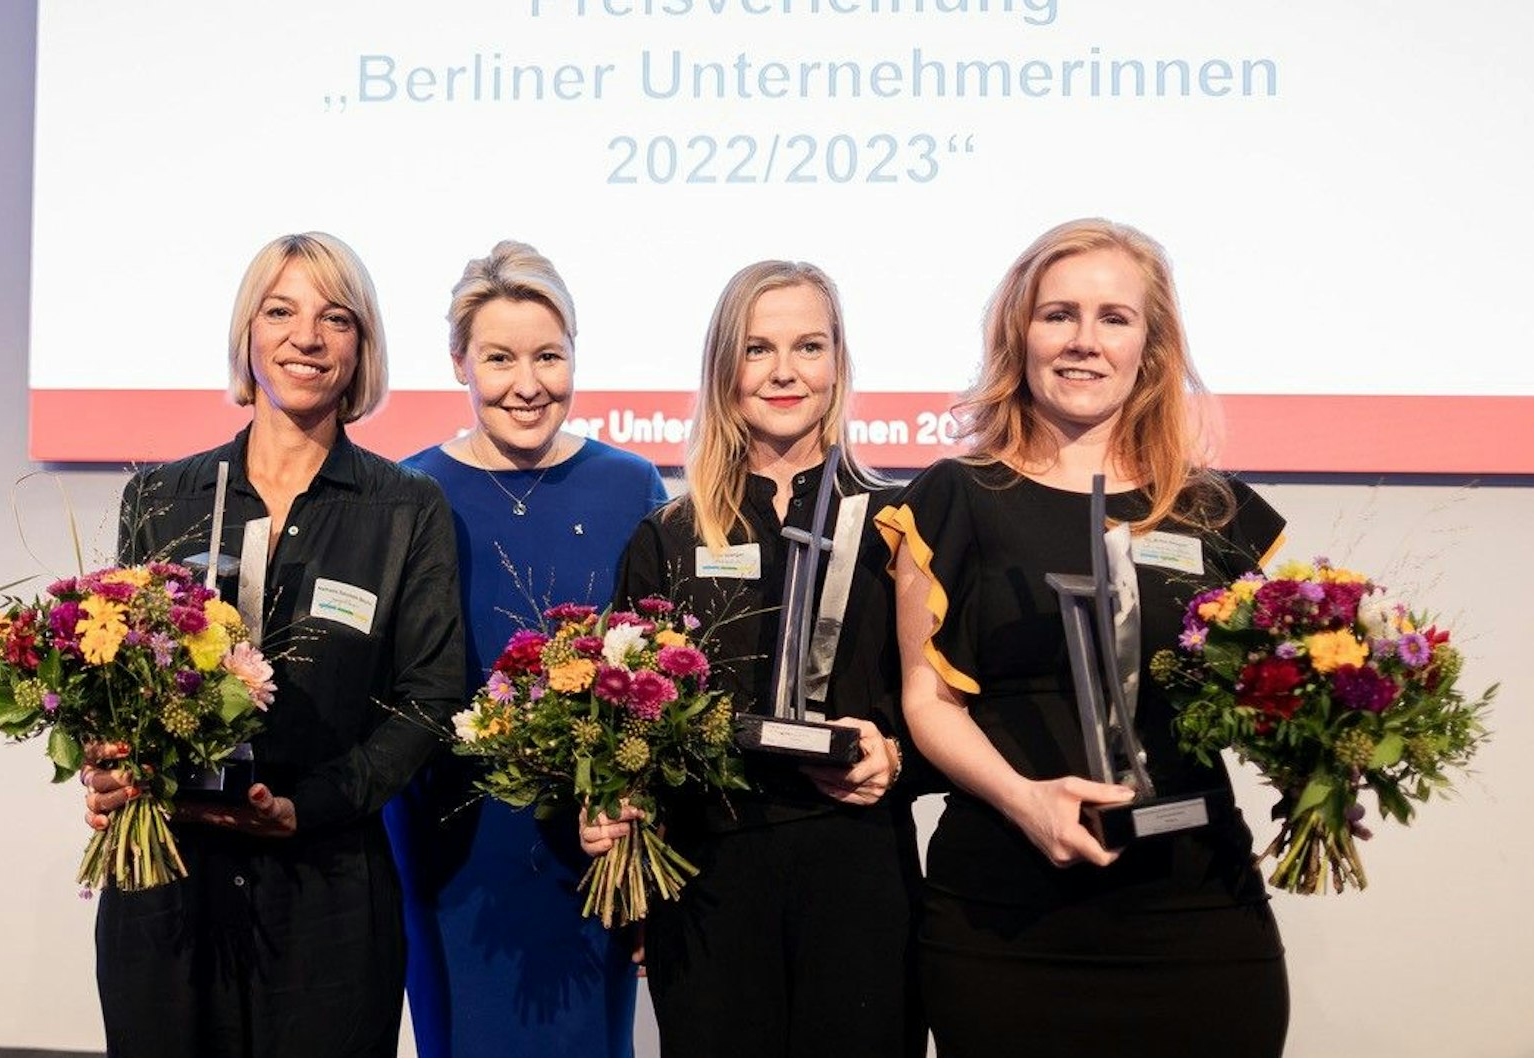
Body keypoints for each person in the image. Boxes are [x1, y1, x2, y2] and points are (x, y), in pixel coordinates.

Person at [878, 218, 1291, 1057]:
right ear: (1018, 334)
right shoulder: (953, 497)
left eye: (1114, 318)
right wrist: (1027, 801)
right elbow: (928, 699)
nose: (1082, 341)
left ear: (1153, 344)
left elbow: (1277, 694)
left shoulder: (1218, 512)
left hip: (1194, 907)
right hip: (1006, 913)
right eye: (1057, 314)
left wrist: (1323, 765)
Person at [83, 232, 467, 1058]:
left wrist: (312, 805)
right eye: (281, 311)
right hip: (168, 879)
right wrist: (109, 758)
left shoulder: (406, 510)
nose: (307, 337)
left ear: (362, 346)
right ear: (248, 332)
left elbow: (430, 699)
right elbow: (117, 667)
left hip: (327, 890)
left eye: (337, 318)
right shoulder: (162, 495)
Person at [582, 260, 924, 1058]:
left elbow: (941, 708)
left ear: (839, 362)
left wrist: (897, 759)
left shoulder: (899, 523)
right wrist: (612, 811)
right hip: (711, 879)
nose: (783, 372)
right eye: (757, 349)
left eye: (808, 346)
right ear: (723, 368)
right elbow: (625, 714)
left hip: (858, 869)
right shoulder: (667, 535)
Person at [381, 240, 667, 1058]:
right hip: (451, 834)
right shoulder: (408, 489)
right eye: (499, 358)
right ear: (459, 363)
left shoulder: (634, 484)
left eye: (550, 355)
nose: (528, 383)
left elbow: (659, 667)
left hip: (592, 833)